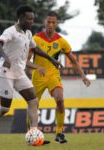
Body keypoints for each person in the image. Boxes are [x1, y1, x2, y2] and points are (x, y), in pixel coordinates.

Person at [0, 5, 62, 144]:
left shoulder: (28, 34)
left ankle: (34, 134)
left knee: (33, 101)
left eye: (32, 19)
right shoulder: (10, 31)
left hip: (19, 73)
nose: (31, 21)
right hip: (4, 72)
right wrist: (6, 58)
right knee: (5, 108)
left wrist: (52, 59)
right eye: (28, 19)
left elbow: (35, 48)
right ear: (20, 18)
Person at [28, 11, 91, 143]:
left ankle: (59, 133)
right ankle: (31, 134)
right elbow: (26, 61)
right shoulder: (35, 39)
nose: (50, 24)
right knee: (33, 105)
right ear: (44, 22)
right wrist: (36, 68)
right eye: (48, 22)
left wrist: (83, 76)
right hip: (37, 76)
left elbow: (73, 61)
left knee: (60, 100)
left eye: (53, 22)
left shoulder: (61, 41)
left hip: (53, 75)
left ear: (56, 24)